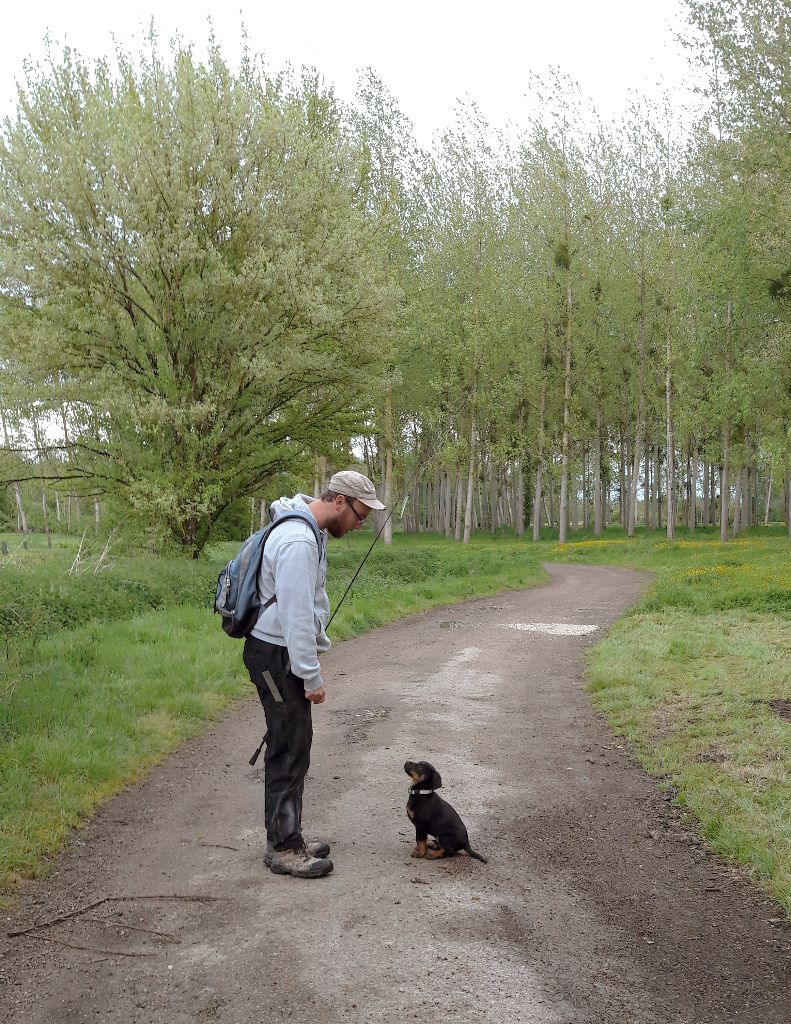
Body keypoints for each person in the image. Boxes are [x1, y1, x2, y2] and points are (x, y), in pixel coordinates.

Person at [243, 470, 385, 879]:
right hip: (276, 655)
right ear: (340, 501)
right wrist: (311, 676)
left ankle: (286, 836)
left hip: (278, 651)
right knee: (290, 747)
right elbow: (296, 616)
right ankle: (285, 849)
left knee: (292, 744)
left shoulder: (310, 531)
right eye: (360, 514)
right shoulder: (299, 540)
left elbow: (308, 605)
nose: (361, 525)